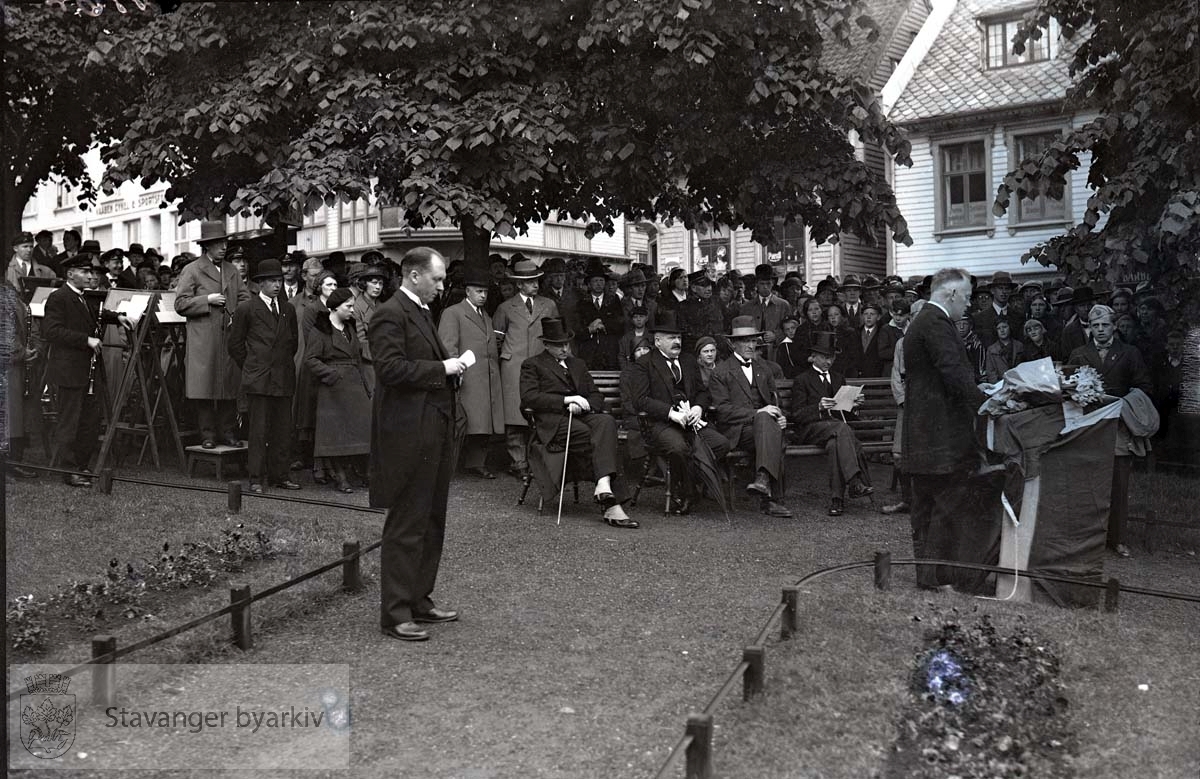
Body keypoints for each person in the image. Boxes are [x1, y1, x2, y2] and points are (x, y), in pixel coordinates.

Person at [368, 247, 463, 642]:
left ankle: (419, 598)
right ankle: (395, 612)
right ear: (413, 276)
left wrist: (450, 371)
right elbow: (389, 369)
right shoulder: (390, 313)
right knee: (408, 520)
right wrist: (442, 368)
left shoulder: (421, 311)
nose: (442, 286)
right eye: (437, 279)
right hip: (409, 432)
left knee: (431, 518)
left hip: (432, 427)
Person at [903, 268, 990, 590]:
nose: (968, 305)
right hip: (940, 436)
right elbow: (954, 372)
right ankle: (941, 580)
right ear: (951, 294)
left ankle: (929, 578)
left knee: (927, 509)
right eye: (966, 297)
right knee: (944, 506)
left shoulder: (924, 320)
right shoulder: (937, 323)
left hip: (926, 433)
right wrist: (985, 402)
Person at [519, 317, 638, 528]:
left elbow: (595, 395)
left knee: (606, 422)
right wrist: (566, 401)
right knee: (597, 438)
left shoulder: (578, 364)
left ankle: (603, 487)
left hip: (580, 416)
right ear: (546, 344)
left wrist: (584, 404)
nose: (565, 348)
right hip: (553, 422)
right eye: (558, 345)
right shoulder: (533, 364)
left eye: (567, 343)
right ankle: (612, 505)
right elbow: (529, 398)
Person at [1067, 304, 1154, 559]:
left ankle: (1118, 539)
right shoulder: (1079, 353)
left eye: (1105, 325)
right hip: (1089, 427)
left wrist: (1122, 403)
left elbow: (1145, 387)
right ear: (1090, 329)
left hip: (1118, 427)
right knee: (1086, 483)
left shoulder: (1129, 353)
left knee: (1118, 484)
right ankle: (1088, 538)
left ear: (1114, 326)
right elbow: (1067, 387)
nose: (1101, 330)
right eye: (1095, 326)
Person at [627, 312, 730, 516]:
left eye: (679, 338)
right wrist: (671, 414)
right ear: (657, 341)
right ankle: (685, 492)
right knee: (678, 448)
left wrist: (698, 408)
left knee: (721, 444)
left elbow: (701, 391)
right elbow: (641, 400)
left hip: (691, 421)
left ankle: (689, 483)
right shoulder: (644, 364)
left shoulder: (688, 361)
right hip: (659, 424)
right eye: (671, 338)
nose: (677, 342)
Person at [42, 254, 132, 484]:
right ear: (70, 274)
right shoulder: (59, 297)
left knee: (89, 422)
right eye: (84, 272)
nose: (90, 276)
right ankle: (70, 470)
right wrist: (86, 340)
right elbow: (51, 331)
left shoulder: (83, 298)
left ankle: (81, 465)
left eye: (91, 272)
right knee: (70, 423)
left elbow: (95, 314)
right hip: (69, 371)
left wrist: (118, 317)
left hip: (86, 372)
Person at [174, 220, 250, 449]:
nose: (223, 247)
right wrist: (206, 300)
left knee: (228, 385)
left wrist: (238, 314)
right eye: (218, 243)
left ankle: (228, 432)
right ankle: (207, 435)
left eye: (224, 242)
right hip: (204, 339)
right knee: (204, 388)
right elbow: (180, 303)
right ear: (206, 246)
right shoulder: (192, 270)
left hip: (228, 336)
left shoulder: (231, 270)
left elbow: (245, 297)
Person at [227, 259, 301, 493]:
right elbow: (235, 345)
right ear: (259, 284)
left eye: (279, 280)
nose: (277, 285)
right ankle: (256, 478)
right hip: (259, 379)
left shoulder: (288, 309)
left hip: (283, 377)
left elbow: (293, 343)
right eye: (271, 281)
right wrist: (253, 365)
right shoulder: (247, 309)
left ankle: (281, 475)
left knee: (282, 429)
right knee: (258, 431)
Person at [709, 316, 792, 518]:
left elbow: (775, 402)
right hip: (737, 430)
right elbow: (722, 410)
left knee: (771, 425)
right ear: (732, 344)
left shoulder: (764, 369)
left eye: (754, 341)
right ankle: (772, 499)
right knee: (768, 425)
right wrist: (757, 413)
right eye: (745, 341)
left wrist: (781, 416)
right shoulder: (721, 371)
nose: (751, 345)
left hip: (763, 428)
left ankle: (763, 479)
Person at [787, 331, 874, 516]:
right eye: (825, 357)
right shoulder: (802, 380)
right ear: (813, 357)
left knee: (836, 443)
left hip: (835, 431)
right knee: (842, 429)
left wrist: (855, 406)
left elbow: (845, 416)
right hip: (811, 429)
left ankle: (837, 500)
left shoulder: (838, 378)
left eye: (832, 357)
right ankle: (855, 482)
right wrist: (818, 407)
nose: (829, 362)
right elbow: (797, 415)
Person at [492, 258, 560, 478]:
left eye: (537, 281)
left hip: (541, 366)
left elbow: (556, 337)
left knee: (540, 412)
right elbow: (497, 340)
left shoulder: (548, 305)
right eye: (530, 282)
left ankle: (538, 462)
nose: (536, 285)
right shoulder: (505, 308)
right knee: (514, 417)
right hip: (514, 368)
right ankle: (518, 463)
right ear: (519, 284)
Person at [438, 266, 505, 479]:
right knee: (464, 423)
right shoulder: (453, 313)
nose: (483, 296)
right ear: (467, 291)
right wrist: (454, 372)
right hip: (467, 377)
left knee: (482, 424)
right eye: (478, 291)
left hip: (486, 377)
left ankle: (476, 463)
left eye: (485, 292)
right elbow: (448, 346)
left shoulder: (485, 314)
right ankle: (454, 465)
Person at [304, 286, 371, 493]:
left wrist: (365, 385)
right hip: (332, 391)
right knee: (336, 435)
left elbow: (358, 358)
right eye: (348, 306)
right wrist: (331, 374)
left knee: (360, 431)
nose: (352, 310)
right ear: (334, 308)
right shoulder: (320, 329)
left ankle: (363, 473)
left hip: (354, 387)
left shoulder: (350, 328)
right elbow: (311, 359)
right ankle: (340, 476)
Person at [572, 261, 624, 371]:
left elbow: (620, 324)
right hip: (588, 352)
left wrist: (603, 325)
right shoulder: (581, 303)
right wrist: (590, 329)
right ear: (589, 284)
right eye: (595, 281)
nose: (599, 284)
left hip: (610, 351)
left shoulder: (614, 300)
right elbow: (576, 329)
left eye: (601, 280)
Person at [738, 264, 790, 361]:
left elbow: (790, 329)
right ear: (756, 284)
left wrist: (776, 336)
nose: (765, 287)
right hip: (753, 354)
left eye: (768, 283)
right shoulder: (746, 308)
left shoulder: (783, 305)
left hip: (776, 354)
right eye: (762, 284)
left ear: (773, 283)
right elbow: (740, 332)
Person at [352, 265, 387, 390]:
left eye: (381, 283)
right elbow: (359, 341)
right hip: (368, 363)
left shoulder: (384, 307)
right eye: (374, 283)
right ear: (364, 284)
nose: (378, 287)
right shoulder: (356, 308)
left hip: (385, 362)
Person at [972, 271, 1023, 347]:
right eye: (1000, 288)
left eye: (1007, 289)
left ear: (1011, 291)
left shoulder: (1018, 317)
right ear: (992, 291)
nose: (1004, 292)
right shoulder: (979, 318)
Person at [850, 303, 886, 377]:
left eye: (872, 314)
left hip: (876, 376)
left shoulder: (883, 332)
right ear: (862, 316)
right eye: (866, 314)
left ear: (878, 317)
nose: (868, 317)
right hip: (858, 376)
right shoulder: (855, 333)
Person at [617, 305, 651, 370]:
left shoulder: (652, 337)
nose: (638, 319)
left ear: (646, 318)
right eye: (635, 317)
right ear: (632, 320)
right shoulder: (625, 338)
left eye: (641, 316)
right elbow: (621, 357)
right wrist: (627, 370)